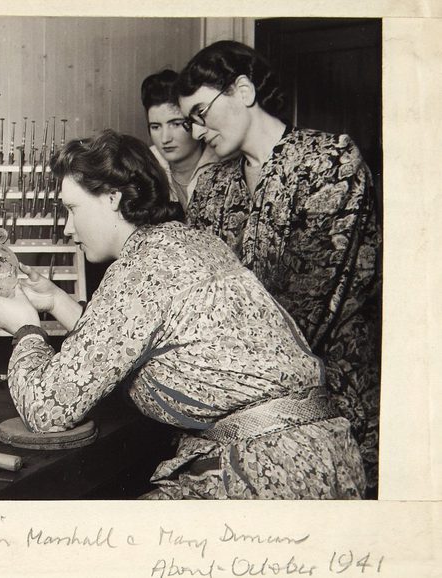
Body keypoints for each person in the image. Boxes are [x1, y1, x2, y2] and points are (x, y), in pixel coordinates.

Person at [0, 129, 365, 499]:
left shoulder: (140, 269)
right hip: (321, 456)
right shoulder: (186, 241)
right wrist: (56, 301)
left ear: (112, 197)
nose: (67, 227)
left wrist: (25, 328)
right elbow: (129, 342)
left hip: (269, 472)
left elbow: (46, 409)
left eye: (72, 209)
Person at [175, 40, 381, 495]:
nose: (195, 130)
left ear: (243, 90)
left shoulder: (330, 162)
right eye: (188, 120)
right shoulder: (210, 186)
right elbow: (196, 294)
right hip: (238, 405)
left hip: (331, 402)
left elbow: (318, 298)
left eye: (201, 112)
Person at [141, 69, 219, 211]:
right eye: (156, 127)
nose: (165, 139)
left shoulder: (223, 161)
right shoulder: (145, 164)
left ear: (194, 122)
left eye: (176, 124)